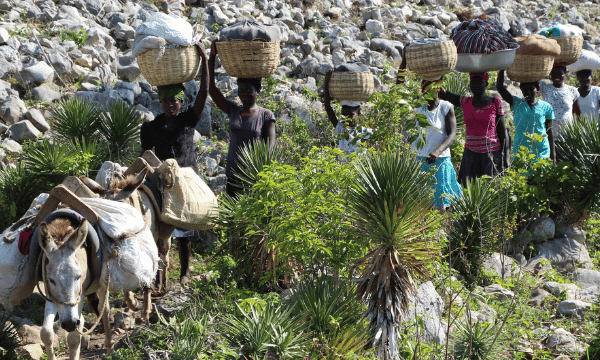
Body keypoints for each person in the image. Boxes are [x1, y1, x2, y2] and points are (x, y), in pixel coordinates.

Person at [140, 44, 208, 286]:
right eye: (166, 101)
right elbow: (146, 155)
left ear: (181, 102)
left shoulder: (188, 120)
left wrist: (205, 63)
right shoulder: (151, 127)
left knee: (184, 229)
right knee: (161, 229)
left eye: (175, 101)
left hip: (186, 178)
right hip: (163, 181)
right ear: (161, 103)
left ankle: (185, 271)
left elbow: (203, 95)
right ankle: (159, 274)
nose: (171, 105)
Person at [208, 40, 276, 197]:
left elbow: (270, 148)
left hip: (254, 177)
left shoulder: (266, 115)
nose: (243, 94)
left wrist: (260, 170)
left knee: (252, 220)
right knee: (233, 219)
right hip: (233, 176)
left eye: (248, 90)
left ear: (257, 91)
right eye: (241, 90)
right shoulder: (233, 110)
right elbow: (211, 88)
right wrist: (212, 58)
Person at [439, 72, 510, 184]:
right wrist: (441, 71)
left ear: (486, 84)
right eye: (473, 82)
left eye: (480, 82)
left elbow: (503, 131)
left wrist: (506, 157)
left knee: (490, 190)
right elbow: (442, 94)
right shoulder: (465, 101)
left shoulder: (494, 102)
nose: (476, 85)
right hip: (470, 154)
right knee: (468, 191)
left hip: (491, 154)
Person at [411, 79, 462, 208]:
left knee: (442, 201)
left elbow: (452, 134)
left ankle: (442, 226)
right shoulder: (419, 107)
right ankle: (425, 226)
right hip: (420, 159)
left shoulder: (445, 107)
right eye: (426, 90)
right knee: (422, 200)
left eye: (432, 89)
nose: (429, 92)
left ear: (438, 90)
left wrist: (437, 151)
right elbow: (399, 87)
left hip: (440, 160)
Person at [496, 70, 556, 163]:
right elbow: (499, 87)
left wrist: (553, 156)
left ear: (537, 89)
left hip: (541, 152)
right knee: (522, 177)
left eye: (530, 89)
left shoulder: (546, 107)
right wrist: (502, 68)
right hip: (521, 152)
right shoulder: (516, 103)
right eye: (524, 90)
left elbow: (549, 132)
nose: (527, 92)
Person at [323, 70, 373, 156]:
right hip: (343, 168)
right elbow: (327, 106)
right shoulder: (340, 128)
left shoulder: (364, 132)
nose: (346, 119)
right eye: (344, 115)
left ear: (359, 114)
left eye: (351, 115)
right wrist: (326, 81)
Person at [540, 65, 581, 136]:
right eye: (553, 73)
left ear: (565, 74)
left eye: (559, 73)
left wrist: (578, 132)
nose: (556, 76)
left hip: (568, 135)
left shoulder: (572, 91)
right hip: (549, 135)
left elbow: (577, 113)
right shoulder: (545, 88)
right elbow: (533, 80)